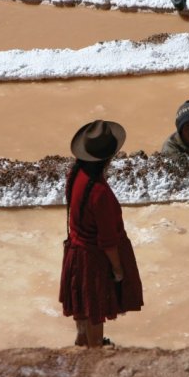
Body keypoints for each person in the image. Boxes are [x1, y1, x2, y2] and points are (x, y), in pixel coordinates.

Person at [59, 120, 143, 348]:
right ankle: (94, 355)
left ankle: (82, 342)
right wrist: (118, 270)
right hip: (93, 260)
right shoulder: (100, 193)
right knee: (95, 314)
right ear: (108, 158)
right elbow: (107, 241)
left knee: (81, 308)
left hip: (75, 254)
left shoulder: (74, 175)